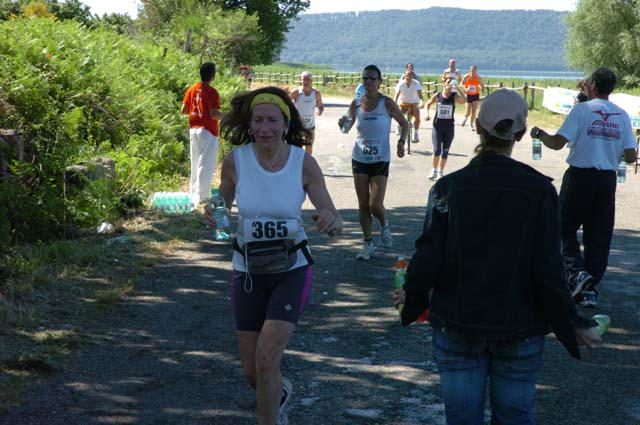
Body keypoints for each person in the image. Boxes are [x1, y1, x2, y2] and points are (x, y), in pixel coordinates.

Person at [395, 88, 601, 425]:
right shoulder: (540, 191)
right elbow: (549, 269)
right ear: (520, 134)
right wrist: (571, 323)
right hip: (519, 327)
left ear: (477, 127)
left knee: (462, 418)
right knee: (515, 417)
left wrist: (412, 300)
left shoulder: (448, 188)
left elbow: (428, 255)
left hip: (456, 325)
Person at [207, 86, 343, 425]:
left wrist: (330, 220)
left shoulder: (303, 163)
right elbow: (220, 203)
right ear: (250, 124)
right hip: (248, 271)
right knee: (253, 371)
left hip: (291, 270)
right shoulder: (235, 161)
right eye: (258, 120)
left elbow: (332, 215)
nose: (264, 127)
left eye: (272, 120)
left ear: (285, 124)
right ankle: (279, 394)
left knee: (268, 361)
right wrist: (213, 213)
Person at [530, 67, 637, 308]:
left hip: (580, 176)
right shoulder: (621, 114)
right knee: (599, 234)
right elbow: (631, 156)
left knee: (562, 227)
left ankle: (577, 273)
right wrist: (610, 146)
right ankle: (590, 287)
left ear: (592, 86)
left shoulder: (582, 110)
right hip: (607, 180)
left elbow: (558, 143)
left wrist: (541, 134)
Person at [338, 64, 409, 260]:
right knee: (362, 204)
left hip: (380, 159)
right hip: (360, 157)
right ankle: (368, 244)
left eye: (372, 79)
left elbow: (404, 123)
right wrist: (342, 123)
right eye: (366, 78)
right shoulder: (356, 103)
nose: (369, 82)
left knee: (375, 204)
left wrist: (401, 142)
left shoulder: (387, 103)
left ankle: (384, 224)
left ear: (379, 82)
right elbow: (346, 128)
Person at [181, 62, 225, 204]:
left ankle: (193, 192)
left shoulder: (192, 89)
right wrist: (228, 116)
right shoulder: (212, 92)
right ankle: (202, 196)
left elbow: (184, 110)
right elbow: (213, 114)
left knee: (195, 162)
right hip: (208, 131)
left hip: (193, 129)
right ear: (213, 75)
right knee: (205, 164)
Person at [424, 78, 466, 180]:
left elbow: (464, 100)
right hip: (437, 127)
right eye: (448, 83)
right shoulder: (438, 95)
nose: (449, 85)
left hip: (449, 128)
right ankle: (433, 170)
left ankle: (440, 172)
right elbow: (428, 104)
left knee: (445, 151)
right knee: (437, 150)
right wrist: (427, 113)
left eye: (451, 83)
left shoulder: (453, 96)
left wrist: (458, 88)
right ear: (444, 84)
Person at [290, 71, 324, 155]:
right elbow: (286, 103)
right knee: (297, 148)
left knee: (309, 148)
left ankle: (306, 165)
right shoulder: (296, 92)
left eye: (307, 80)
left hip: (310, 126)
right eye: (303, 80)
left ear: (311, 81)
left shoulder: (316, 93)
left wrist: (320, 111)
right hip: (297, 126)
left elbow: (320, 105)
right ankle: (297, 165)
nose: (305, 82)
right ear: (300, 80)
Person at [394, 71, 424, 143]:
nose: (407, 78)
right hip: (403, 101)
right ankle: (399, 125)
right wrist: (394, 103)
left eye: (409, 76)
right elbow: (397, 94)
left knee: (417, 115)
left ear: (412, 77)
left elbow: (420, 94)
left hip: (414, 102)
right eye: (406, 76)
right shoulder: (401, 83)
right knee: (399, 112)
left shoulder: (416, 83)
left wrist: (422, 102)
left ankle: (416, 133)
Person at [460, 64, 484, 130]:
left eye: (474, 69)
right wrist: (465, 88)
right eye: (471, 69)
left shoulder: (478, 77)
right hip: (468, 95)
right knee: (468, 111)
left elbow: (482, 85)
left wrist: (482, 88)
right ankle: (465, 118)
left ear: (476, 70)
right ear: (470, 69)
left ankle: (471, 124)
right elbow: (461, 83)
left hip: (475, 95)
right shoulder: (467, 76)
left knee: (474, 111)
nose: (473, 71)